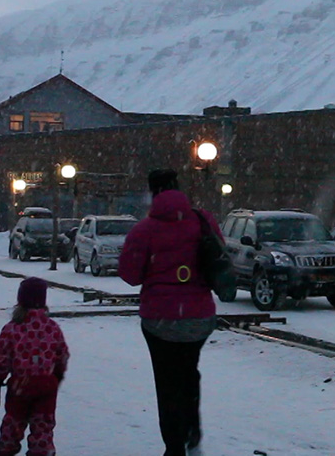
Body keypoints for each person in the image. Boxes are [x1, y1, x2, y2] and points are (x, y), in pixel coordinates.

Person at [118, 168, 223, 456]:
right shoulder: (203, 220)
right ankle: (192, 429)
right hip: (199, 317)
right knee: (188, 370)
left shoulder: (144, 229)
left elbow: (129, 274)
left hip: (159, 320)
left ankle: (174, 446)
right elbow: (219, 257)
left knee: (167, 381)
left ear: (153, 193)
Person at [0, 277, 69, 456]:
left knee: (13, 424)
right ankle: (41, 451)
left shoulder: (12, 329)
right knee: (42, 427)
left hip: (20, 387)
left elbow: (2, 358)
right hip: (46, 386)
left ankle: (6, 450)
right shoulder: (52, 328)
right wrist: (57, 375)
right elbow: (61, 354)